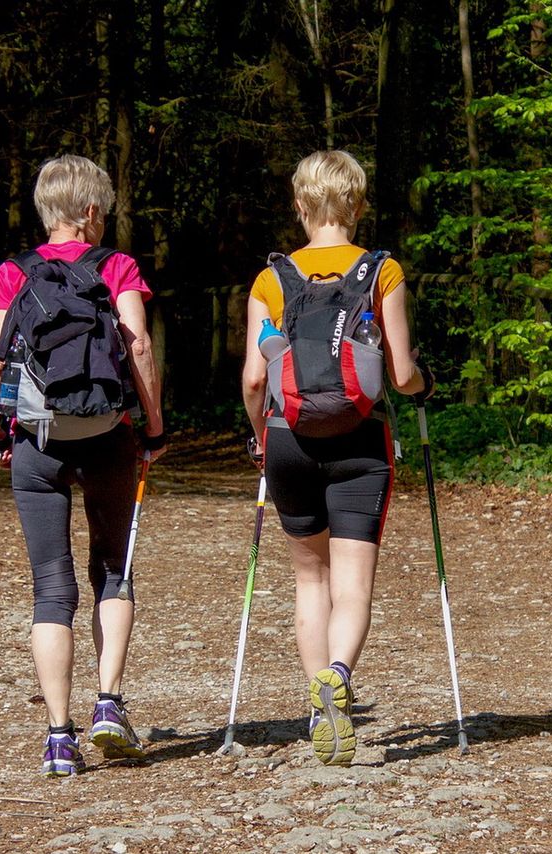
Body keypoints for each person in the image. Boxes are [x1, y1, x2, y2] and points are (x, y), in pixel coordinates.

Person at [240, 150, 432, 766]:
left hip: (287, 438)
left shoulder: (270, 280)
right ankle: (340, 675)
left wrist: (259, 440)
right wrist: (424, 383)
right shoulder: (383, 271)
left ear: (300, 208)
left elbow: (252, 378)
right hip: (359, 440)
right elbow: (400, 375)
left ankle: (319, 702)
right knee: (352, 583)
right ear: (357, 206)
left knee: (308, 578)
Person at [0, 155, 167, 777]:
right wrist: (154, 425)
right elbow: (136, 346)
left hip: (37, 442)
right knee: (113, 568)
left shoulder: (14, 273)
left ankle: (59, 737)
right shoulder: (117, 268)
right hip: (108, 434)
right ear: (91, 212)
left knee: (51, 587)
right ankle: (108, 703)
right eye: (105, 210)